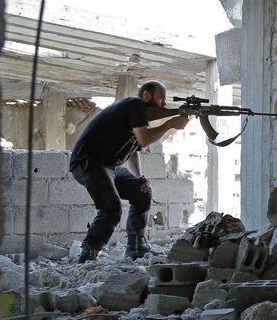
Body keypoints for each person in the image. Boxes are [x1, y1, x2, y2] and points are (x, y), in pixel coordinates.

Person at [69, 80, 189, 263]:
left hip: (109, 166)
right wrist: (170, 123)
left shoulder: (136, 116)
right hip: (88, 162)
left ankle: (135, 248)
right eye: (161, 99)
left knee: (141, 192)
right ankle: (88, 254)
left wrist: (140, 178)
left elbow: (134, 150)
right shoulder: (136, 105)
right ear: (147, 96)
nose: (164, 104)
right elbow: (143, 140)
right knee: (111, 208)